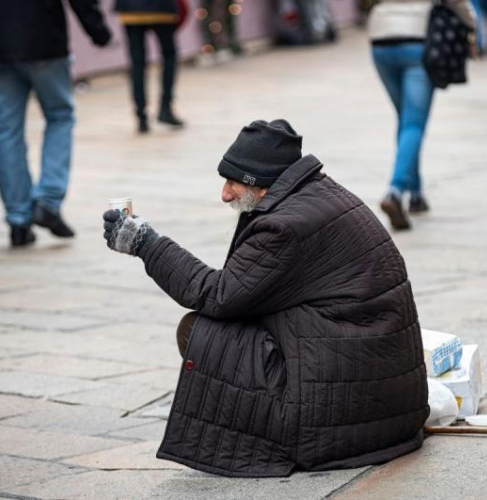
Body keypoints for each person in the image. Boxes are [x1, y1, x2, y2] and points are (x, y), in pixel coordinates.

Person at [103, 119, 429, 477]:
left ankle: (262, 430)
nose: (225, 194)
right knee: (232, 324)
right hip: (380, 388)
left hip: (343, 401)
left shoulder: (285, 226)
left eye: (233, 182)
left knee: (198, 330)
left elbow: (219, 296)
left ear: (261, 185)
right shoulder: (316, 195)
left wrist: (146, 243)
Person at [0, 0, 111, 247]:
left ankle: (18, 220)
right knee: (59, 116)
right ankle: (48, 201)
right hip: (43, 38)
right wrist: (97, 30)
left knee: (5, 129)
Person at [368, 0, 476, 230]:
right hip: (417, 40)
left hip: (380, 39)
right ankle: (395, 192)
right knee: (413, 123)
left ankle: (415, 193)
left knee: (406, 120)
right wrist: (472, 26)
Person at [115, 0, 185, 133]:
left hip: (130, 8)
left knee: (137, 62)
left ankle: (141, 116)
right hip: (161, 7)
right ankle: (165, 108)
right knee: (169, 55)